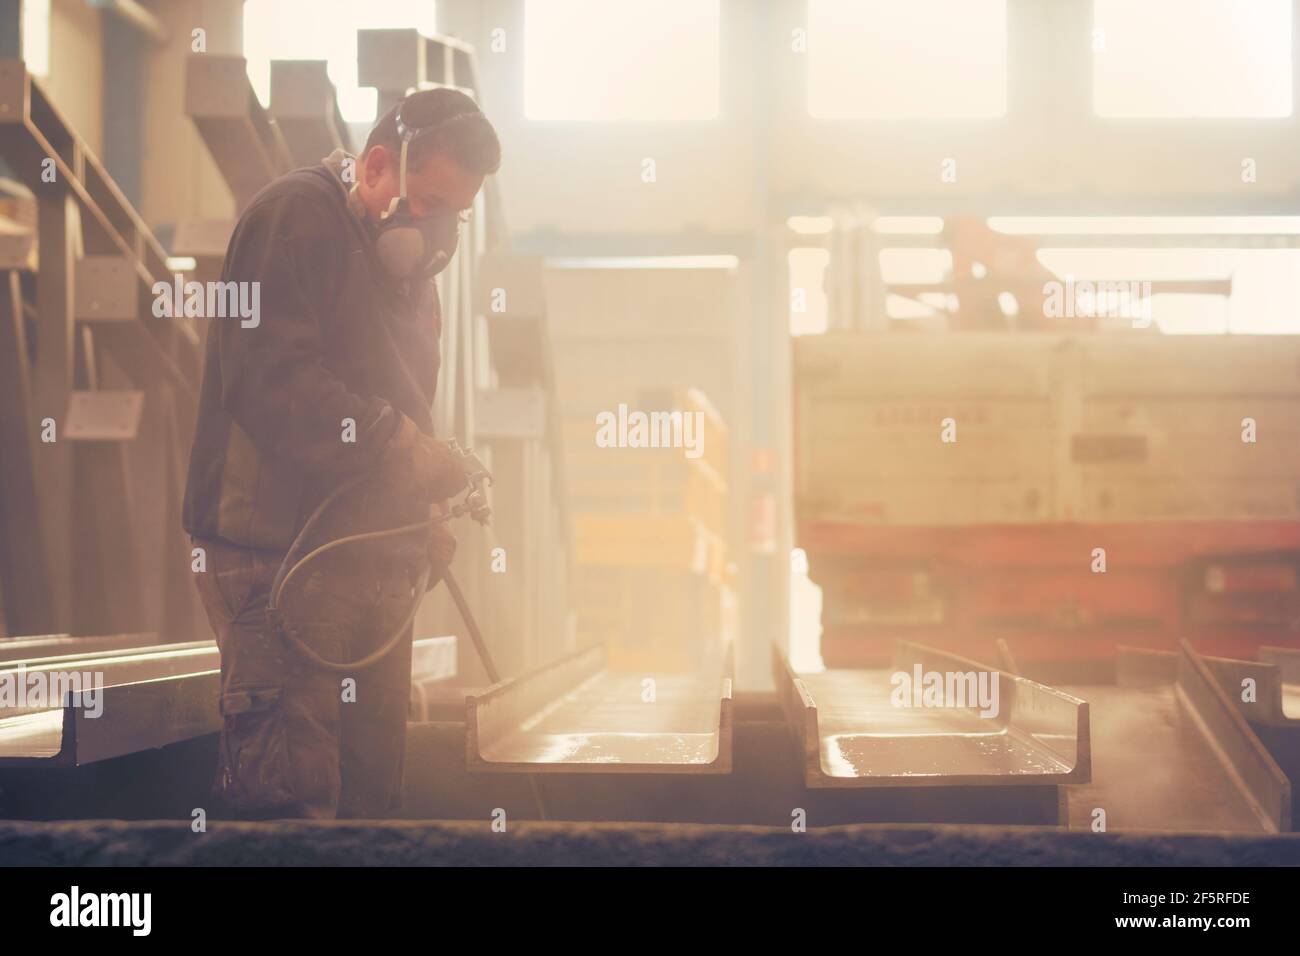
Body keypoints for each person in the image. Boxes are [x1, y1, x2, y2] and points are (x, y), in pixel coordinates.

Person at [181, 87, 501, 819]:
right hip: (276, 558)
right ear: (377, 165)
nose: (437, 229)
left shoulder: (410, 277)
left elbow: (404, 405)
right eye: (429, 202)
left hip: (361, 560)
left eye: (455, 213)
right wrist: (399, 449)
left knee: (370, 802)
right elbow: (273, 383)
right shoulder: (293, 218)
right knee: (295, 802)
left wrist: (418, 512)